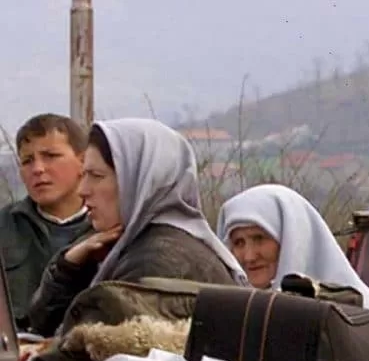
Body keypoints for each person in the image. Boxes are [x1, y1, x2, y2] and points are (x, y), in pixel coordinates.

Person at [26, 118, 245, 338]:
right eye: (84, 175)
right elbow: (39, 328)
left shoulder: (157, 262)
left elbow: (83, 352)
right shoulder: (116, 245)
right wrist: (69, 268)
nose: (82, 190)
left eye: (97, 176)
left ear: (141, 181)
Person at [218, 183, 369, 305]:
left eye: (259, 239)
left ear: (291, 240)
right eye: (238, 243)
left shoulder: (356, 312)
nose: (249, 256)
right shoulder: (224, 315)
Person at [1, 114, 93, 329]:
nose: (38, 169)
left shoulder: (110, 229)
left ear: (83, 161)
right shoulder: (5, 228)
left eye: (50, 156)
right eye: (27, 161)